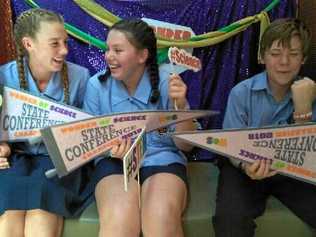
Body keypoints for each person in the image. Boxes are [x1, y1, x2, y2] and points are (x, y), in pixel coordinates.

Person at [83, 19, 196, 237]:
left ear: (142, 56)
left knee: (160, 219)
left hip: (161, 159)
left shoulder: (168, 84)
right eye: (108, 49)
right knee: (119, 219)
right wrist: (108, 148)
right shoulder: (96, 86)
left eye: (118, 50)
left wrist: (181, 106)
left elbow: (186, 145)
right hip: (115, 163)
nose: (109, 56)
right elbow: (90, 142)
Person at [212, 18, 316, 237]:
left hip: (293, 170)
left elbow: (309, 155)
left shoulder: (310, 92)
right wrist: (247, 165)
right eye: (276, 53)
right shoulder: (242, 92)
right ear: (262, 56)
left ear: (303, 59)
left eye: (294, 54)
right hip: (245, 169)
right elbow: (230, 145)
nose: (284, 62)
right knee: (229, 219)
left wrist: (303, 110)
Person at [0, 8, 92, 237]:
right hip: (18, 160)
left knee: (40, 216)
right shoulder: (4, 76)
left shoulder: (80, 77)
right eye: (54, 43)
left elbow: (91, 132)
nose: (64, 50)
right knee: (9, 216)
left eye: (65, 42)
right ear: (28, 44)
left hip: (62, 164)